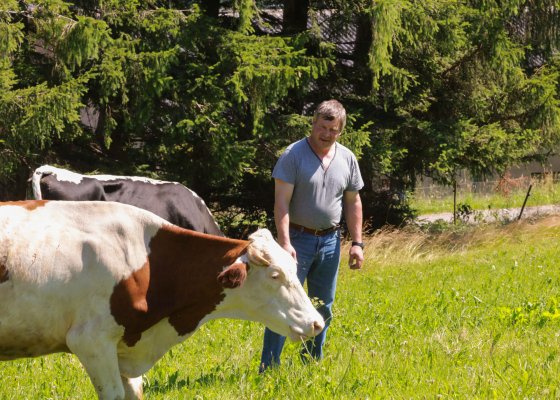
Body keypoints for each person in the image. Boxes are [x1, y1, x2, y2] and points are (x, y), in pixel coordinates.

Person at [259, 99, 364, 372]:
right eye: (323, 126)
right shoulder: (293, 155)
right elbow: (281, 203)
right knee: (284, 304)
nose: (327, 134)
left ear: (341, 130)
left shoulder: (347, 158)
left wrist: (357, 243)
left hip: (331, 242)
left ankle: (311, 363)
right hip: (297, 240)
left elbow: (353, 201)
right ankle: (269, 367)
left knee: (323, 306)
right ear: (314, 123)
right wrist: (285, 243)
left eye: (334, 129)